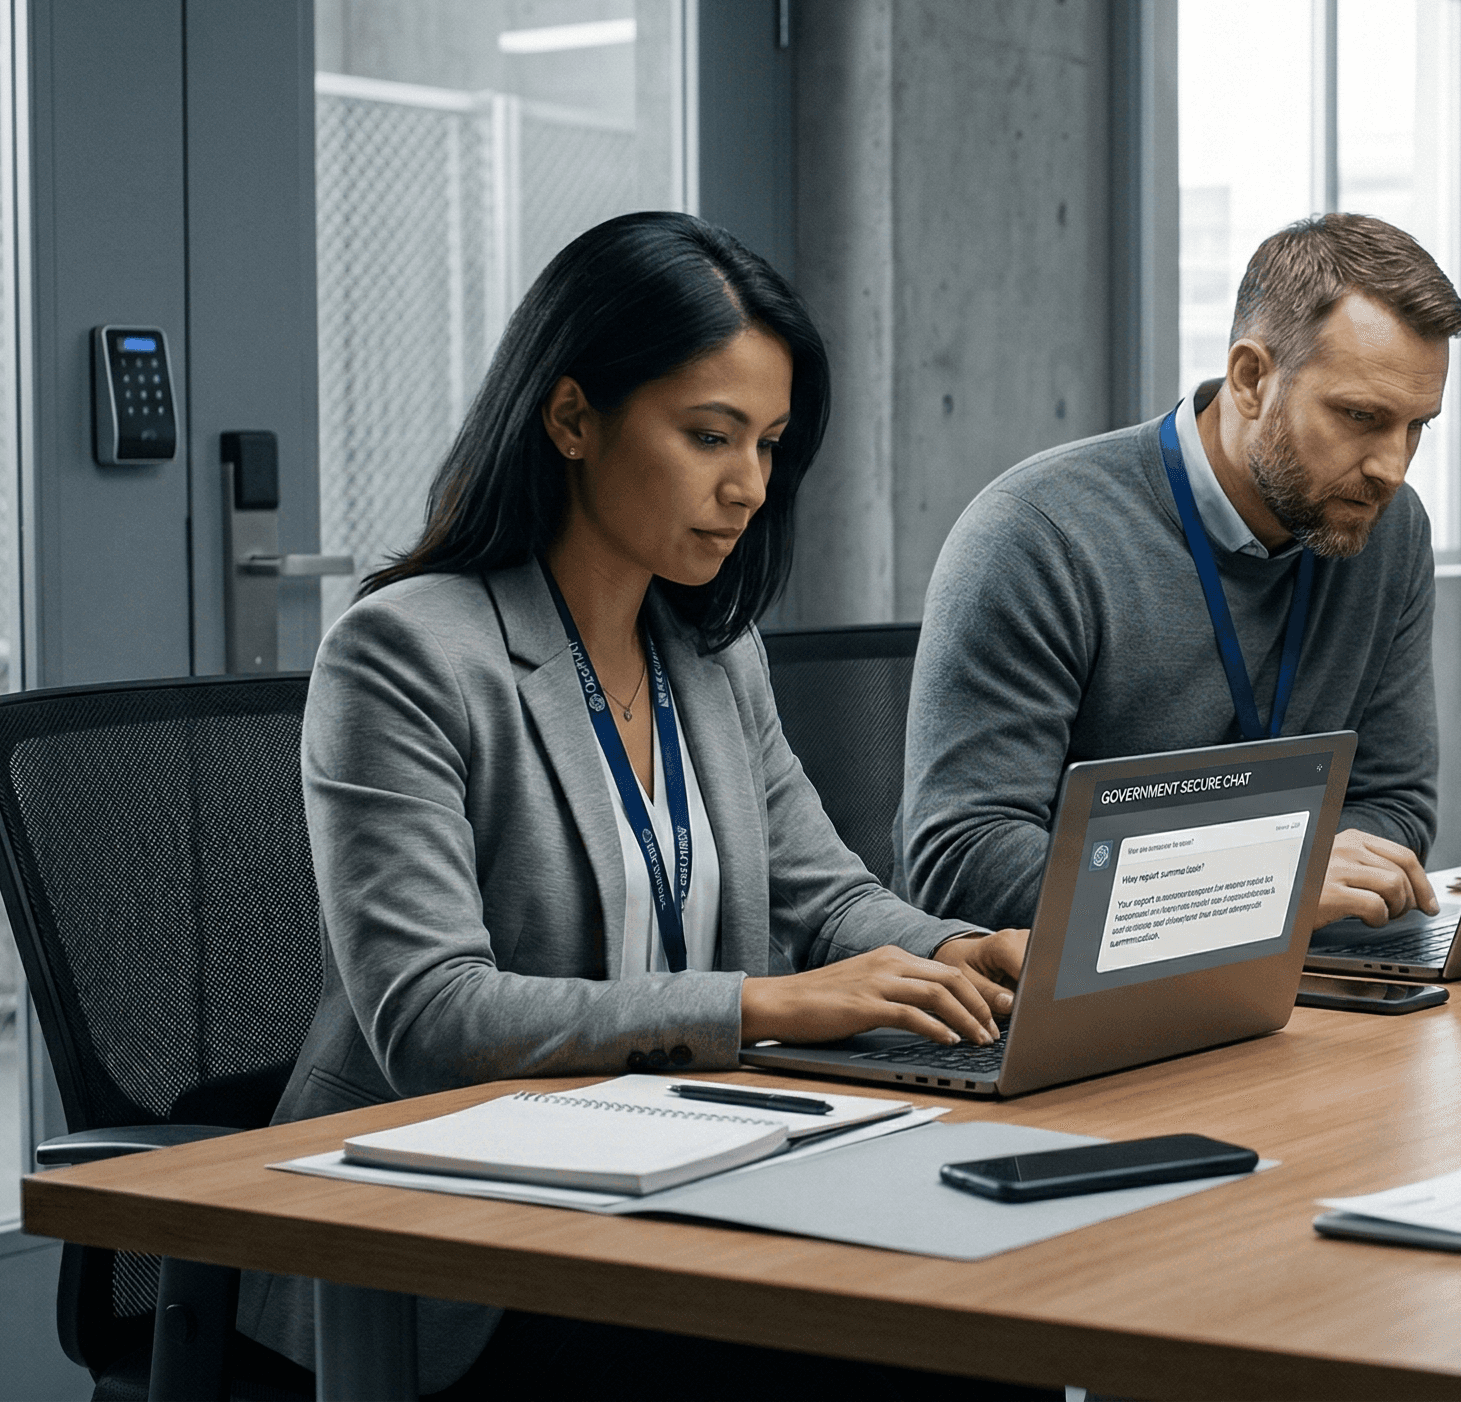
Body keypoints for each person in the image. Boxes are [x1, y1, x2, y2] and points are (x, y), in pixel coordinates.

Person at [237, 212, 1037, 1399]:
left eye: (768, 444)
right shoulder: (404, 653)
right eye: (709, 436)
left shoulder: (708, 653)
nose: (749, 486)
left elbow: (828, 899)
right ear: (570, 417)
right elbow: (431, 1014)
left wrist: (973, 953)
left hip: (691, 1172)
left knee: (979, 1326)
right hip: (458, 1233)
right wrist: (764, 1005)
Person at [897, 213, 1461, 931]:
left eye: (1417, 426)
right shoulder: (1039, 535)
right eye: (1360, 416)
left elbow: (1394, 804)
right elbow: (963, 863)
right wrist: (1259, 882)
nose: (1392, 467)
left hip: (1287, 981)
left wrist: (1256, 889)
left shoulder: (1387, 528)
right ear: (1252, 378)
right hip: (1059, 1004)